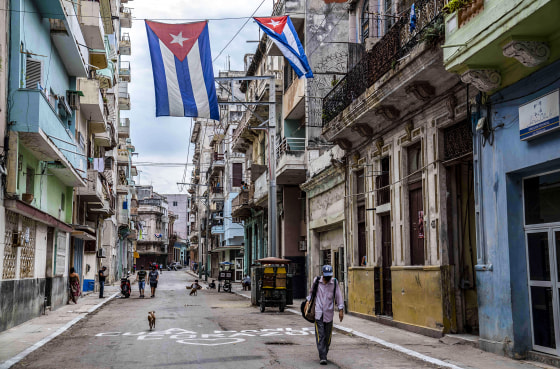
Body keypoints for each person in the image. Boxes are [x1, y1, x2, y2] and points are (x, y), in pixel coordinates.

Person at [307, 265, 344, 365]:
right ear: (322, 274)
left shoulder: (334, 283)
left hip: (329, 313)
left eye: (329, 276)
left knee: (328, 336)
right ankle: (322, 356)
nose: (327, 279)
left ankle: (325, 351)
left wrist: (341, 310)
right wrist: (307, 303)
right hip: (318, 313)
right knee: (321, 335)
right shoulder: (317, 281)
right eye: (326, 276)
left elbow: (338, 296)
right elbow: (311, 293)